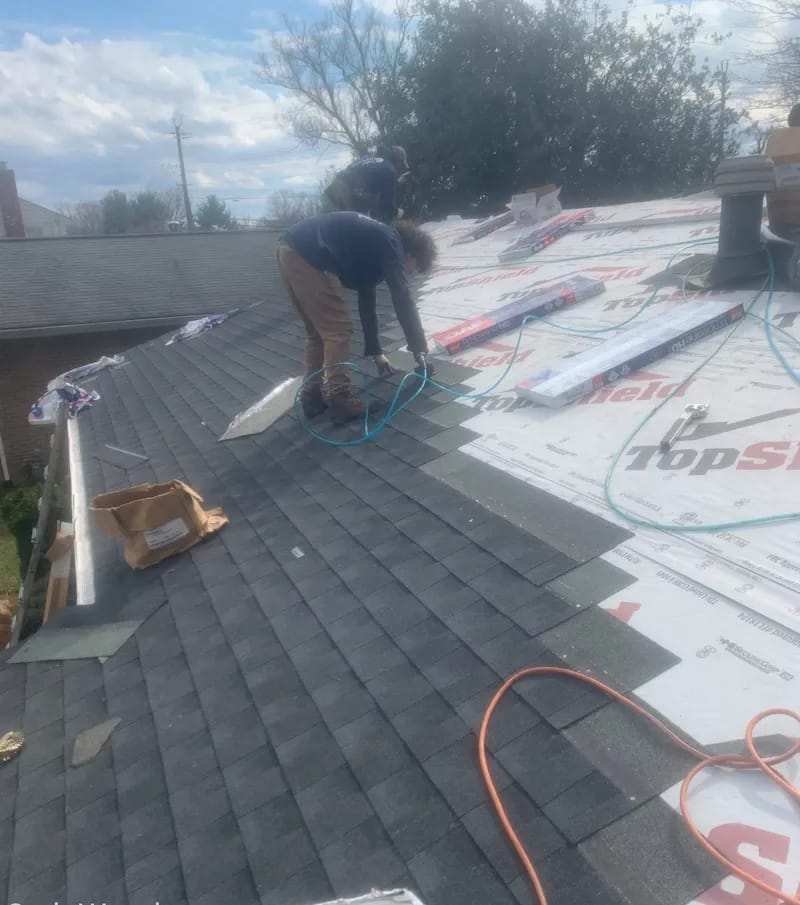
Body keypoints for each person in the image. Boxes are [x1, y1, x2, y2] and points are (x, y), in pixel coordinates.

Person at [278, 211, 437, 423]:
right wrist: (419, 349)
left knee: (318, 332)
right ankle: (340, 398)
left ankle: (312, 397)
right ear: (411, 255)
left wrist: (376, 352)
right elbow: (402, 297)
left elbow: (367, 299)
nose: (411, 273)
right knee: (337, 330)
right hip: (308, 255)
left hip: (289, 251)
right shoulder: (390, 242)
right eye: (415, 268)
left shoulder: (375, 242)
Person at [325, 146, 410, 224]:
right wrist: (396, 212)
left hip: (335, 186)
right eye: (402, 164)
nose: (401, 168)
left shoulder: (375, 160)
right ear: (398, 160)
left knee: (350, 223)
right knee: (359, 225)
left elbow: (374, 192)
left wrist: (397, 183)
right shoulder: (389, 169)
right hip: (346, 189)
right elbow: (386, 205)